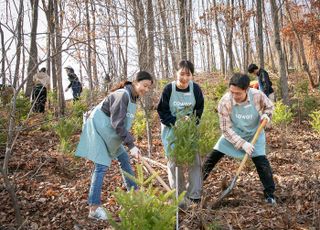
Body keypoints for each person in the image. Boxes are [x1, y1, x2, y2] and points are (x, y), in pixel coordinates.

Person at [75, 71, 153, 221]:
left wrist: (130, 145)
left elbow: (121, 124)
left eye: (149, 87)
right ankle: (94, 208)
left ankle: (135, 194)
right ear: (136, 82)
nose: (146, 90)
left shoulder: (133, 98)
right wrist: (131, 145)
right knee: (101, 166)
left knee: (124, 158)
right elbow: (117, 123)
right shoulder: (122, 95)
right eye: (145, 85)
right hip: (98, 129)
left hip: (110, 133)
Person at [202, 73, 276, 205]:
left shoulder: (257, 95)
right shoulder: (225, 102)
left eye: (238, 93)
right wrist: (242, 144)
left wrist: (266, 116)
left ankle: (270, 195)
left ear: (246, 89)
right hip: (233, 134)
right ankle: (194, 189)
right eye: (232, 92)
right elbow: (225, 129)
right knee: (212, 157)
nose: (234, 96)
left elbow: (269, 107)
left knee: (262, 163)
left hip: (255, 134)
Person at [157, 60, 204, 208]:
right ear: (176, 73)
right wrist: (174, 121)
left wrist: (191, 120)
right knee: (173, 162)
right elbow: (162, 111)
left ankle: (194, 195)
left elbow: (199, 108)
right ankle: (179, 195)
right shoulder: (168, 89)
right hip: (171, 129)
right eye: (181, 74)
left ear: (191, 76)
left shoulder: (195, 89)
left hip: (190, 130)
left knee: (195, 161)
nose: (184, 78)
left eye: (188, 74)